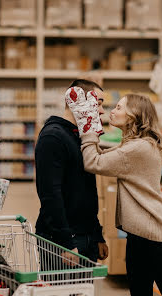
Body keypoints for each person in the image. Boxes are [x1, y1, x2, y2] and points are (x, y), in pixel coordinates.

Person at [66, 92, 162, 296]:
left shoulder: (138, 148)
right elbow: (104, 156)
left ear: (134, 115)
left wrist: (88, 130)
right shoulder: (136, 144)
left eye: (119, 107)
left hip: (153, 237)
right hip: (141, 234)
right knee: (140, 292)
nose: (112, 111)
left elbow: (93, 162)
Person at [34, 79, 109, 266]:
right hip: (62, 240)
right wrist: (66, 243)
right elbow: (50, 195)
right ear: (75, 101)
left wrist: (96, 234)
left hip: (86, 236)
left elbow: (87, 190)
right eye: (98, 104)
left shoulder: (81, 137)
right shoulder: (53, 137)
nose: (102, 111)